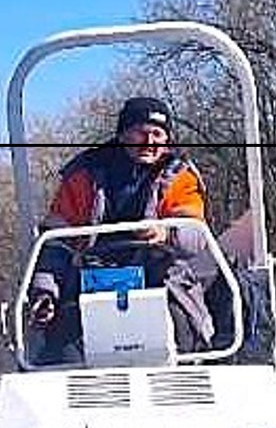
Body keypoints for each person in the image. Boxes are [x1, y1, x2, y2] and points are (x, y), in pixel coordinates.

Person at [25, 96, 216, 362]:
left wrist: (166, 233)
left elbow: (194, 232)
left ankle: (184, 373)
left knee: (182, 329)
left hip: (160, 279)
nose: (149, 142)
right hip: (89, 281)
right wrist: (44, 290)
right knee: (62, 343)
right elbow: (54, 242)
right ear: (122, 134)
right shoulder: (84, 175)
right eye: (141, 133)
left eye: (158, 134)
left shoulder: (179, 177)